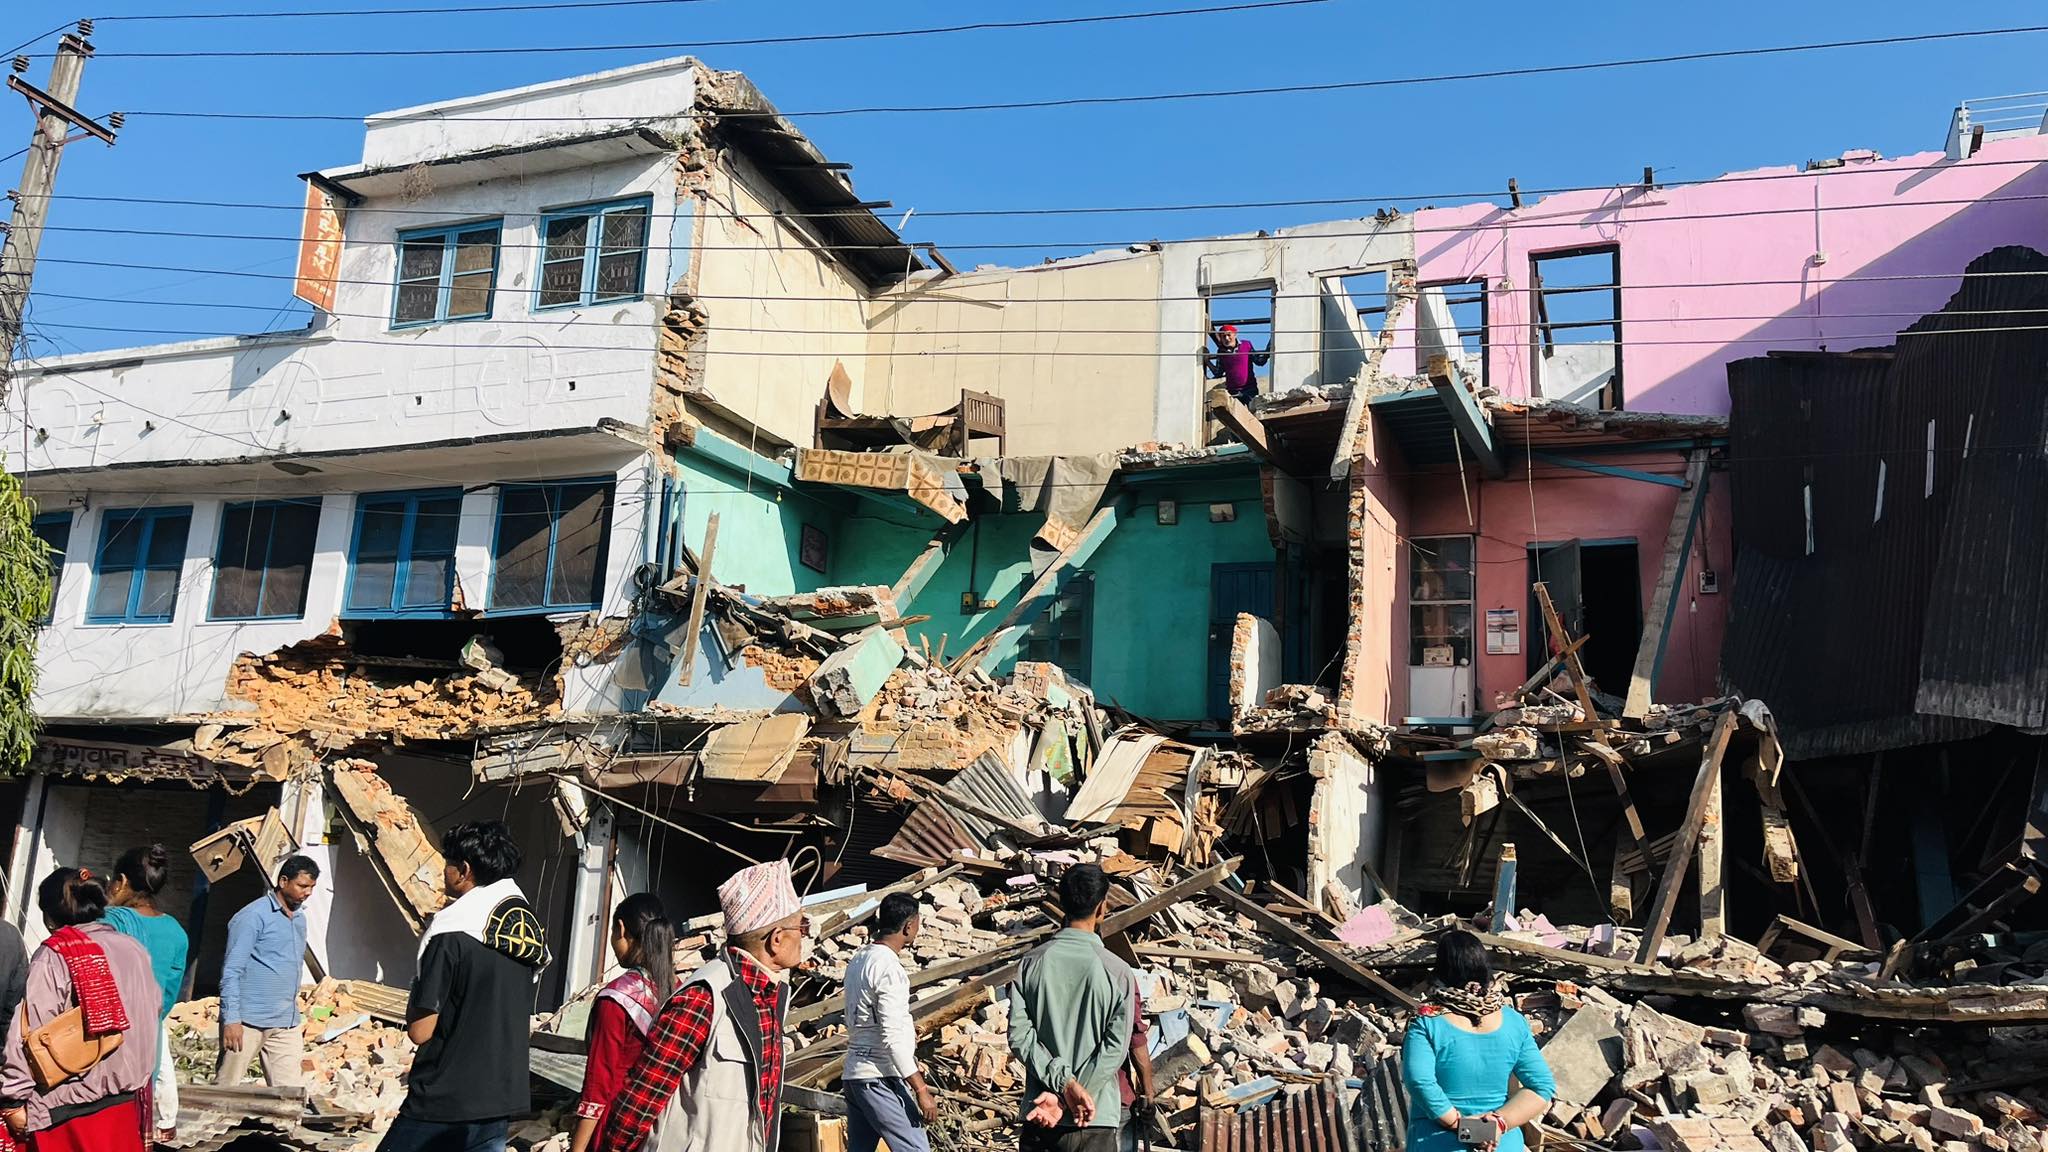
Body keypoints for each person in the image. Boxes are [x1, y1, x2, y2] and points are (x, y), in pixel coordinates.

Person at [597, 858, 806, 1152]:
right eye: (802, 926)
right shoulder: (704, 997)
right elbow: (642, 1099)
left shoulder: (768, 996)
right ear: (777, 939)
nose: (805, 935)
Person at [379, 821, 549, 1152]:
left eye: (448, 863)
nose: (443, 872)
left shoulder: (450, 934)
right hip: (498, 1098)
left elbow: (420, 1031)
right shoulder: (523, 933)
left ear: (464, 870)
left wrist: (418, 983)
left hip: (444, 1098)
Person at [0, 867, 162, 1152]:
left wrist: (13, 1100)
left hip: (65, 1113)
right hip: (123, 1105)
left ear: (50, 916)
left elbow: (28, 1032)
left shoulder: (55, 954)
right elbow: (152, 1014)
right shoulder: (134, 950)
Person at [1008, 863, 1135, 1152]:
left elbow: (1020, 1037)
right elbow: (1115, 1049)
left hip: (1041, 1115)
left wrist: (1063, 1087)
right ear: (1102, 907)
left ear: (1062, 904)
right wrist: (1071, 1092)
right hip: (1094, 1117)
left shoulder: (1031, 964)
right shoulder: (1118, 971)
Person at [1401, 930, 1555, 1152]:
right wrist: (1497, 1124)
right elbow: (1541, 1087)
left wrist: (1461, 1125)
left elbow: (1419, 1082)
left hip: (1438, 1142)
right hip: (1501, 1145)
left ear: (1439, 972)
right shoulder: (1514, 1021)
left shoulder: (1427, 1022)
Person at [568, 894, 676, 1152]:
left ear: (621, 928)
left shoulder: (616, 999)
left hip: (617, 1126)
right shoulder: (678, 993)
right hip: (665, 1127)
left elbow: (599, 1084)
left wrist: (577, 1148)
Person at [103, 844, 188, 1146]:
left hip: (105, 1040)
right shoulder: (176, 932)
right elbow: (168, 995)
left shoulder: (108, 923)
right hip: (147, 1039)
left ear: (122, 881)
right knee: (131, 1123)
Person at [842, 893, 937, 1152]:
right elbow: (892, 1036)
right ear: (909, 926)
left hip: (855, 1076)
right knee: (915, 1148)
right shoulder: (889, 968)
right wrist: (921, 1089)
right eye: (918, 923)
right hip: (879, 1076)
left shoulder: (859, 959)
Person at [218, 855, 317, 1090]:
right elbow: (232, 970)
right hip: (247, 1022)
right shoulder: (253, 916)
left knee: (289, 1096)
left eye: (312, 887)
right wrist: (231, 1019)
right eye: (302, 886)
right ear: (283, 881)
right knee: (225, 1092)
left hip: (285, 1022)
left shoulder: (299, 919)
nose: (308, 893)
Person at [1115, 980, 1153, 1152]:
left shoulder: (1041, 970)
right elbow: (1135, 1038)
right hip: (1114, 1097)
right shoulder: (1121, 975)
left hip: (1059, 1099)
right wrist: (1148, 1093)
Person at [1205, 323, 1269, 400]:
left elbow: (1259, 361)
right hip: (1232, 392)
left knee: (1251, 406)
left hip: (1250, 389)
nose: (1226, 338)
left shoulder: (1246, 345)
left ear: (1235, 334)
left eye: (1229, 335)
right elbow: (1218, 373)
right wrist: (1207, 361)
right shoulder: (1221, 352)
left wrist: (1269, 348)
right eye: (1223, 336)